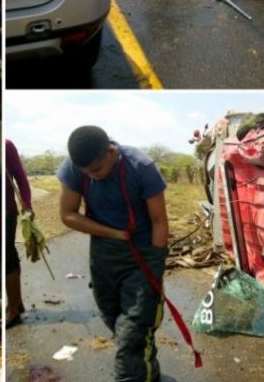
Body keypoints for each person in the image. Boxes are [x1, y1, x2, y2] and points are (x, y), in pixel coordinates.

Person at [57, 126, 169, 382]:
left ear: (110, 151)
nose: (91, 177)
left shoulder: (141, 166)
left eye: (95, 170)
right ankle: (145, 367)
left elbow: (159, 221)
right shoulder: (75, 167)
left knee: (134, 330)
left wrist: (155, 267)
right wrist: (113, 234)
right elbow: (68, 215)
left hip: (141, 254)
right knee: (115, 319)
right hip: (104, 253)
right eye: (85, 172)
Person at [4, 139, 33, 328]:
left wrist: (27, 206)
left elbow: (21, 178)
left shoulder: (6, 145)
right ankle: (17, 301)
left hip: (6, 212)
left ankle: (13, 310)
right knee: (10, 255)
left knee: (7, 259)